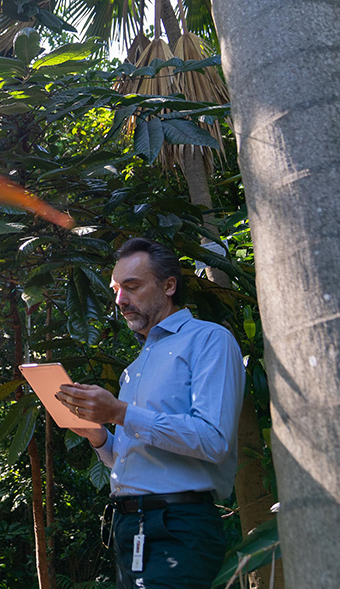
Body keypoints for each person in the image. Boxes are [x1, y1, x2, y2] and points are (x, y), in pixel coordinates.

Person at [55, 237, 245, 589]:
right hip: (128, 527)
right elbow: (138, 460)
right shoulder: (135, 367)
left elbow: (214, 440)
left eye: (132, 286)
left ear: (169, 285)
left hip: (178, 524)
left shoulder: (209, 340)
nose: (120, 300)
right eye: (115, 290)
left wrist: (121, 412)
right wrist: (98, 435)